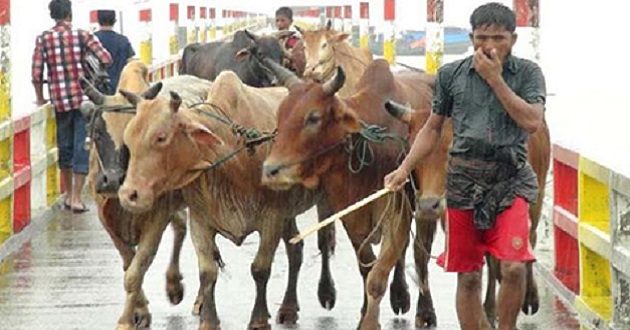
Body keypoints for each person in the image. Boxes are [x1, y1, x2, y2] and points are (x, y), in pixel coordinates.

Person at [384, 3, 546, 330]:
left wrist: (496, 80)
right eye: (481, 37)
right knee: (469, 274)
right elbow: (431, 128)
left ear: (513, 39)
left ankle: (507, 327)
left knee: (513, 267)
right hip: (463, 183)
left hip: (510, 180)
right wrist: (404, 169)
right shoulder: (451, 75)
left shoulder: (528, 74)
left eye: (498, 38)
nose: (489, 45)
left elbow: (531, 121)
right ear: (471, 37)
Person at [32, 0, 112, 213]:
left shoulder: (44, 39)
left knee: (64, 147)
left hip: (59, 101)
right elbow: (106, 58)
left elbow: (36, 74)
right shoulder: (82, 35)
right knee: (81, 146)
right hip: (82, 99)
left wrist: (40, 99)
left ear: (52, 15)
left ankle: (68, 195)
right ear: (69, 13)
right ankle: (77, 197)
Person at [94, 10, 135, 94]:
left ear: (97, 21)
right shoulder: (123, 40)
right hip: (120, 89)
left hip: (96, 91)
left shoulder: (91, 40)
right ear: (115, 21)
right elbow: (131, 63)